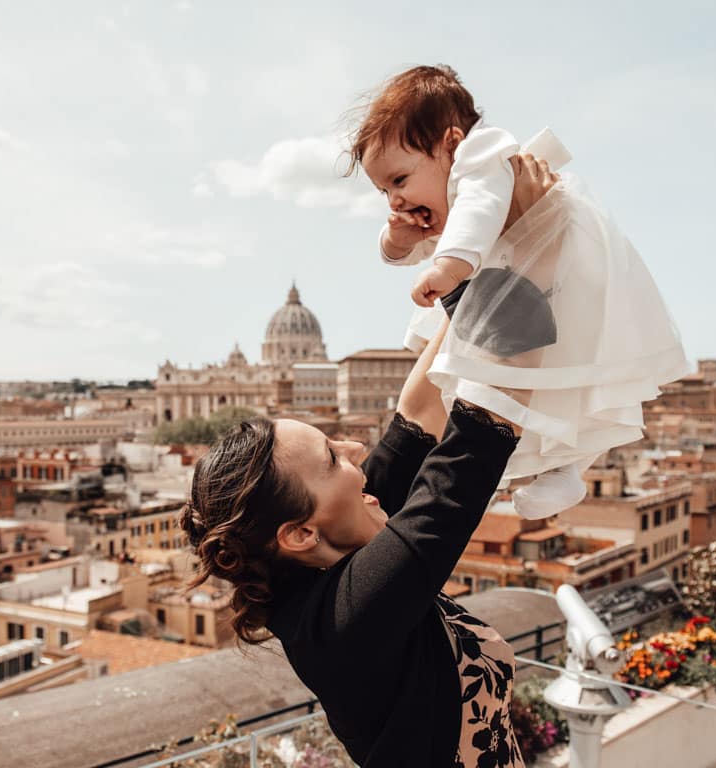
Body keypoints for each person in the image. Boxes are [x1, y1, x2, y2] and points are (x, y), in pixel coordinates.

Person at [179, 155, 554, 768]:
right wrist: (524, 240)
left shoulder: (337, 540)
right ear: (298, 532)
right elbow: (486, 417)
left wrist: (464, 242)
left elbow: (421, 409)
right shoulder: (350, 616)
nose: (356, 450)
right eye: (331, 456)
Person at [349, 64, 691, 520]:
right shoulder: (441, 199)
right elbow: (403, 252)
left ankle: (567, 468)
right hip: (509, 282)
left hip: (559, 275)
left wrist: (449, 268)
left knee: (570, 378)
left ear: (452, 143)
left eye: (399, 180)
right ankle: (553, 471)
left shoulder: (481, 157)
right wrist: (399, 238)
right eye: (382, 190)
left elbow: (480, 209)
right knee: (521, 386)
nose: (392, 199)